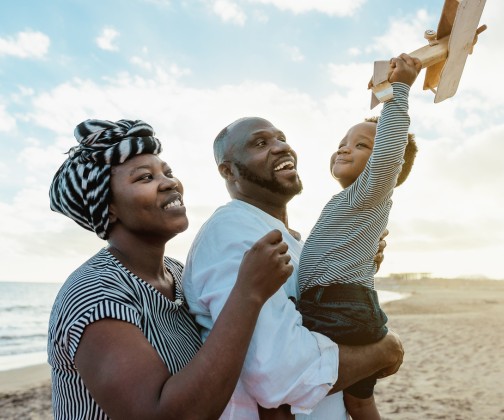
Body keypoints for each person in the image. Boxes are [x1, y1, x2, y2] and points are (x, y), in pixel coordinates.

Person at [182, 66, 408, 418]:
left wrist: (361, 258)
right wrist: (385, 351)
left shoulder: (291, 237)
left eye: (281, 138)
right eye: (260, 143)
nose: (281, 146)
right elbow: (279, 375)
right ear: (229, 171)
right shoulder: (231, 230)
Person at [47, 118, 294, 419]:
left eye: (168, 172)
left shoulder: (177, 273)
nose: (169, 183)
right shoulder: (95, 293)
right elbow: (161, 414)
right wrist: (248, 294)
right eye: (144, 179)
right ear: (108, 206)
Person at [296, 53, 421, 420]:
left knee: (286, 386)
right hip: (344, 305)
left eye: (363, 145)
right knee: (359, 401)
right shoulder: (351, 201)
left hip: (339, 308)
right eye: (343, 141)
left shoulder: (371, 190)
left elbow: (389, 153)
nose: (345, 147)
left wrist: (399, 92)